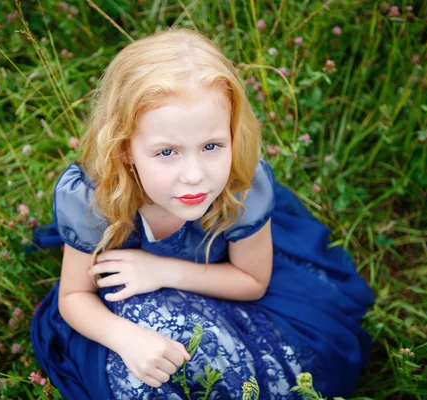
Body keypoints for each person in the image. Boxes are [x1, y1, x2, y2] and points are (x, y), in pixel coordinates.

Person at [28, 27, 375, 400]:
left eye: (211, 145)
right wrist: (125, 339)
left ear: (232, 132)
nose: (194, 176)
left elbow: (252, 280)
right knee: (140, 349)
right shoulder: (95, 199)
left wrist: (162, 271)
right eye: (167, 152)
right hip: (125, 317)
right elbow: (74, 295)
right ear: (125, 148)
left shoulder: (240, 188)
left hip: (226, 290)